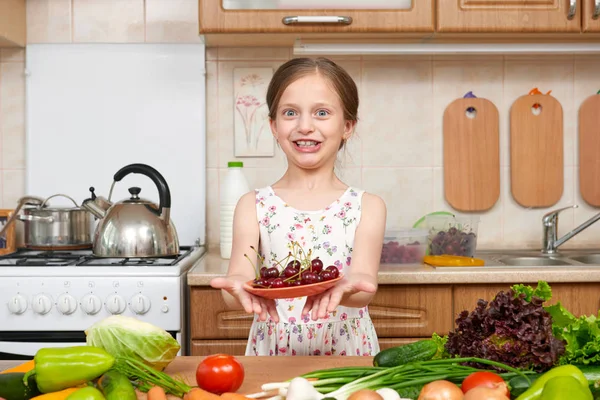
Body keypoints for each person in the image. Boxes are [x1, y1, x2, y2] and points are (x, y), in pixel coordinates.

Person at [210, 57, 387, 356]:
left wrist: (349, 287)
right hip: (274, 351)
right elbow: (238, 281)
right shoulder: (252, 205)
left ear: (347, 126)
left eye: (321, 113)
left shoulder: (367, 206)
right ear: (274, 126)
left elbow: (364, 287)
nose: (305, 126)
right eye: (290, 113)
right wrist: (236, 288)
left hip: (347, 352)